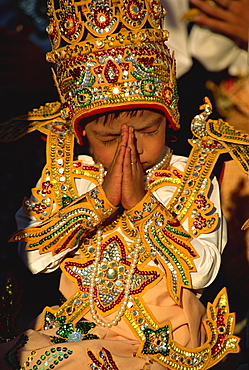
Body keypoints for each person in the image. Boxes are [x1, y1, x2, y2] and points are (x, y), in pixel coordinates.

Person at [0, 0, 246, 368]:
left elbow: (204, 269)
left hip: (163, 341)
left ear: (170, 121)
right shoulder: (69, 174)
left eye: (147, 131)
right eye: (109, 138)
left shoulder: (189, 176)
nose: (131, 146)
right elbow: (35, 259)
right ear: (82, 135)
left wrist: (141, 203)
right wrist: (98, 201)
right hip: (73, 333)